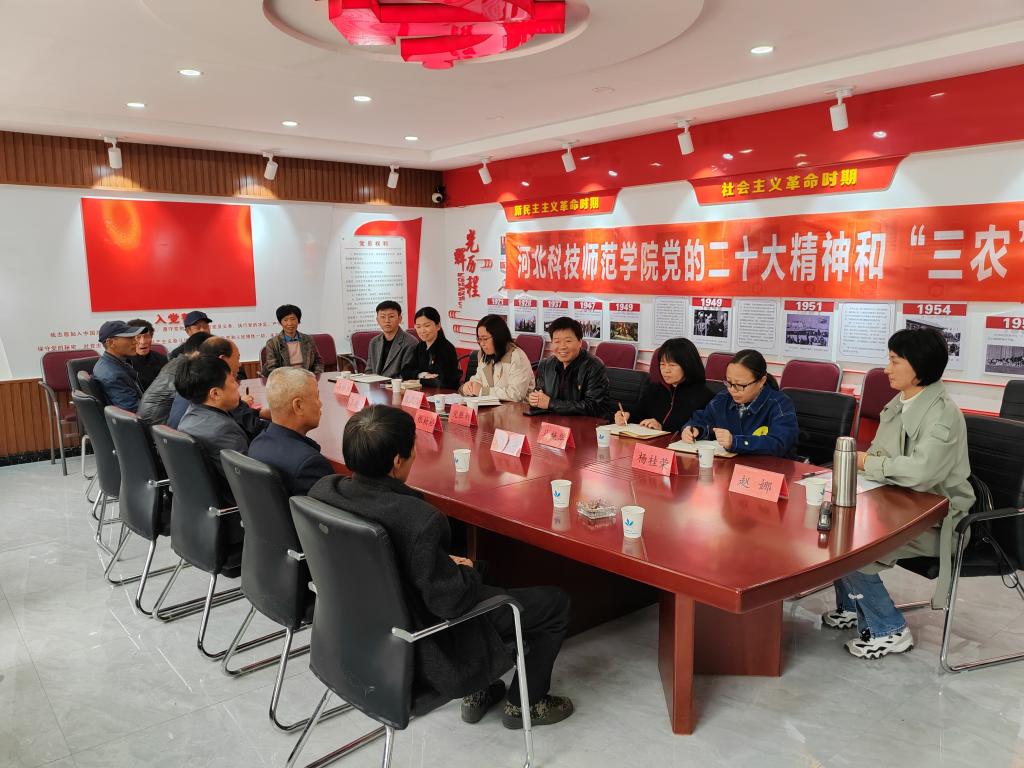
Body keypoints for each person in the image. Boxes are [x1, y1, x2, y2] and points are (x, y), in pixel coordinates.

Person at [309, 405, 574, 728]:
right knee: (554, 603)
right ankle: (525, 705)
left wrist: (448, 566)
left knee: (481, 571)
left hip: (357, 632)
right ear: (397, 461)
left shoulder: (325, 491)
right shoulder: (417, 520)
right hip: (427, 643)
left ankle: (480, 690)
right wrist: (465, 570)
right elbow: (451, 602)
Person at [823, 328, 974, 659]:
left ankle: (889, 629)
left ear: (918, 366)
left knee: (854, 550)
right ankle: (852, 606)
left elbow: (920, 473)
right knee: (834, 528)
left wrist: (868, 464)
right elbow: (882, 458)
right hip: (899, 506)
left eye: (894, 361)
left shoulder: (943, 414)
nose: (886, 369)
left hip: (940, 523)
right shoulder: (900, 403)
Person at [680, 349, 798, 456]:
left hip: (769, 469)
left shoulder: (780, 404)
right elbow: (702, 419)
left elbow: (779, 443)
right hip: (730, 467)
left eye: (740, 385)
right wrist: (694, 430)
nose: (732, 390)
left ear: (762, 381)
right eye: (729, 382)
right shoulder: (723, 399)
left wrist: (735, 442)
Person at [175, 354, 248, 508]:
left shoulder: (189, 415)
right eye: (232, 381)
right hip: (236, 507)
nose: (237, 385)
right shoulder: (223, 430)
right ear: (215, 394)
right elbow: (249, 480)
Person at [248, 367, 333, 496]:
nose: (320, 404)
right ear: (298, 406)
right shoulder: (310, 464)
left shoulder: (256, 444)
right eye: (317, 397)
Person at [168, 337, 268, 436]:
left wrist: (259, 413)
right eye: (237, 358)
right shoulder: (215, 388)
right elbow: (254, 428)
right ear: (223, 360)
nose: (240, 364)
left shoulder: (192, 380)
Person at [615, 337, 714, 432]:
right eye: (662, 364)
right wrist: (627, 416)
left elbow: (702, 431)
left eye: (672, 365)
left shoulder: (704, 397)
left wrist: (663, 428)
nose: (666, 370)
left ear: (687, 365)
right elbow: (639, 413)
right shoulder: (654, 389)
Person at [528, 316, 612, 418]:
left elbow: (593, 406)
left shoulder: (594, 366)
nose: (562, 346)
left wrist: (551, 403)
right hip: (553, 422)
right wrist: (534, 399)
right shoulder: (545, 365)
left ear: (580, 342)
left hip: (586, 424)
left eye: (568, 341)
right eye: (557, 341)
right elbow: (540, 396)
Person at [137, 331, 211, 425]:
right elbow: (181, 411)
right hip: (157, 426)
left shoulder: (176, 362)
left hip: (149, 423)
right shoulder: (189, 369)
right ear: (199, 352)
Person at [458, 314, 534, 401]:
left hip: (517, 408)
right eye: (479, 339)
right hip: (493, 407)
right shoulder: (485, 355)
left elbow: (516, 394)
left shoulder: (517, 357)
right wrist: (467, 387)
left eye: (485, 339)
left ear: (498, 337)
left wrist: (483, 391)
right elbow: (478, 380)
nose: (482, 344)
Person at [401, 307, 461, 389]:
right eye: (418, 327)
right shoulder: (420, 346)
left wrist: (418, 380)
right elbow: (405, 371)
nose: (422, 330)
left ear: (438, 326)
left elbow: (442, 381)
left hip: (442, 394)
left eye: (427, 326)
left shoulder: (447, 348)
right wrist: (422, 375)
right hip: (423, 392)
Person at [92, 320, 145, 411]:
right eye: (130, 338)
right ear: (110, 343)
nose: (136, 342)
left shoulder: (111, 364)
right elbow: (133, 411)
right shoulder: (113, 375)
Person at [261, 304, 324, 378]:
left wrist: (315, 376)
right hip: (284, 380)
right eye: (285, 320)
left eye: (293, 319)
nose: (290, 323)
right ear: (280, 322)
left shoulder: (308, 339)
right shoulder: (272, 343)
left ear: (298, 320)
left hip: (306, 379)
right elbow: (273, 368)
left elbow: (318, 361)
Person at [366, 300, 417, 379]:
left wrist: (385, 383)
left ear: (400, 319)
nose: (387, 321)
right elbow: (369, 370)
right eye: (383, 317)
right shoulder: (374, 342)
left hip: (397, 385)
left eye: (391, 316)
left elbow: (406, 374)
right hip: (376, 384)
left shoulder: (410, 342)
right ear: (377, 320)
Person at [127, 318, 167, 391]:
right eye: (138, 337)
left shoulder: (162, 359)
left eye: (146, 336)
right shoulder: (124, 362)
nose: (143, 342)